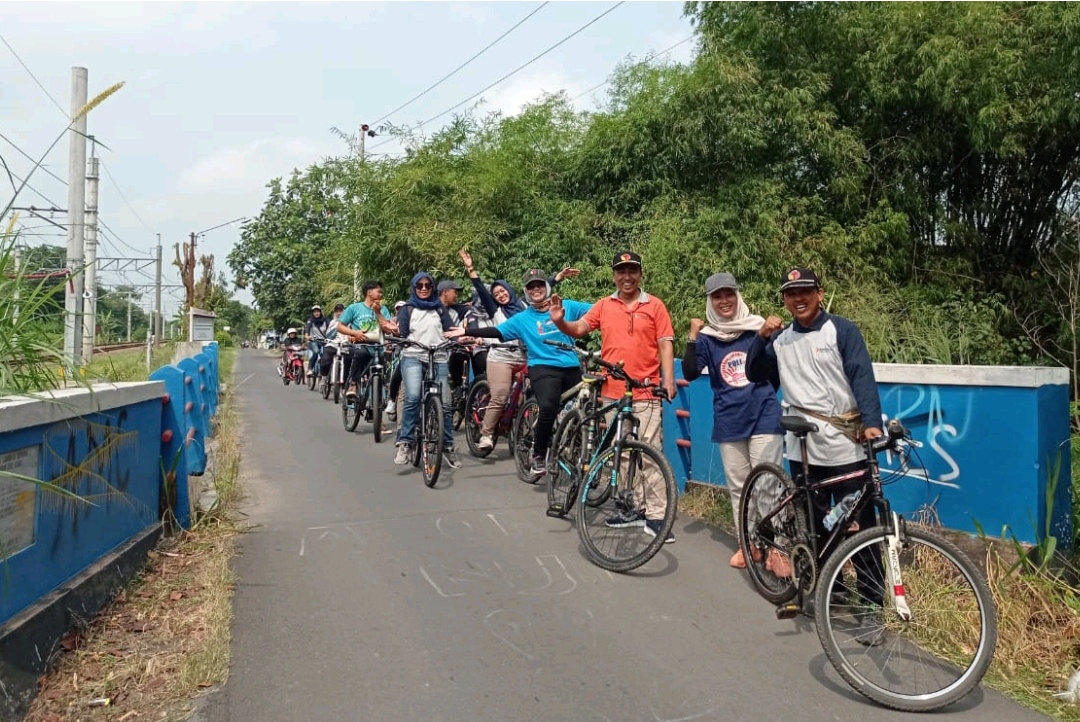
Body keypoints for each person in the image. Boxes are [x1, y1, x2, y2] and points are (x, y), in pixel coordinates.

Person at [745, 267, 885, 618]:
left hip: (846, 444)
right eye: (791, 294)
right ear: (785, 300)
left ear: (819, 294)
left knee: (862, 523)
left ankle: (871, 601)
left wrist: (871, 423)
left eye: (805, 291)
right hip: (802, 447)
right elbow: (754, 374)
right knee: (815, 522)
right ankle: (830, 589)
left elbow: (862, 376)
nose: (799, 299)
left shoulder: (842, 330)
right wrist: (760, 339)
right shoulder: (781, 340)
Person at [550, 250, 677, 543]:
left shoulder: (655, 305)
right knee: (621, 454)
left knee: (649, 454)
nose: (627, 277)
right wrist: (559, 322)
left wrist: (668, 380)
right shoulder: (604, 305)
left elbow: (666, 343)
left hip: (645, 390)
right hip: (613, 392)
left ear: (640, 274)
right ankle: (629, 507)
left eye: (632, 271)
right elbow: (580, 329)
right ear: (614, 276)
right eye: (621, 272)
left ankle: (657, 516)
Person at [682, 272, 784, 568]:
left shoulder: (758, 328)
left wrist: (763, 397)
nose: (724, 301)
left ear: (738, 296)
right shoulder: (708, 338)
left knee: (767, 482)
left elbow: (774, 371)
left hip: (764, 414)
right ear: (710, 301)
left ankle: (777, 547)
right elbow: (689, 373)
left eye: (728, 294)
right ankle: (749, 544)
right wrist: (692, 336)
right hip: (729, 420)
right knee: (740, 487)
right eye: (717, 296)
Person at [446, 267, 589, 476]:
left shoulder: (566, 306)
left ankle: (576, 453)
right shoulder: (522, 318)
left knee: (583, 409)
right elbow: (497, 331)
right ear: (526, 291)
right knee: (548, 407)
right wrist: (467, 330)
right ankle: (538, 455)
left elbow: (601, 310)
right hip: (543, 366)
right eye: (531, 287)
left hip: (571, 365)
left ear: (547, 287)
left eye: (540, 284)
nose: (536, 289)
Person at [458, 248, 526, 453]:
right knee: (501, 395)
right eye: (496, 294)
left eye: (503, 291)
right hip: (500, 357)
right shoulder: (495, 310)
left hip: (524, 356)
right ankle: (486, 434)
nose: (500, 295)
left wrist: (557, 278)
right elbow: (480, 290)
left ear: (509, 290)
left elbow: (541, 289)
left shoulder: (523, 306)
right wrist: (471, 269)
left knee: (532, 393)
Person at [394, 273, 462, 469]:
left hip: (439, 357)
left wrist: (461, 339)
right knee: (413, 396)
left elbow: (450, 330)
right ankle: (405, 442)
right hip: (414, 356)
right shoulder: (407, 309)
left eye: (427, 285)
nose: (424, 288)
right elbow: (403, 333)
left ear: (433, 288)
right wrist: (395, 332)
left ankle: (448, 446)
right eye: (420, 285)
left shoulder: (439, 308)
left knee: (446, 404)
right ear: (414, 287)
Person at [337, 281, 396, 400]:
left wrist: (378, 312)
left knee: (381, 370)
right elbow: (340, 326)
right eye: (378, 292)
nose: (381, 294)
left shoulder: (383, 310)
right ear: (369, 292)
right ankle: (353, 384)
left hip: (378, 346)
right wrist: (355, 333)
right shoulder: (354, 308)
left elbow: (388, 330)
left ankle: (376, 405)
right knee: (360, 353)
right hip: (359, 344)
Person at [384, 300, 407, 422]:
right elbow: (389, 334)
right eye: (398, 309)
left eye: (402, 308)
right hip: (398, 352)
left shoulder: (411, 318)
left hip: (414, 353)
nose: (400, 311)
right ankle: (392, 400)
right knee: (396, 376)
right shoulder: (392, 320)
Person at [318, 303, 346, 379]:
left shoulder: (349, 322)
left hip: (346, 345)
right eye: (337, 311)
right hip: (333, 344)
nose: (339, 313)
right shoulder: (332, 323)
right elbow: (328, 335)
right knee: (325, 359)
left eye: (341, 311)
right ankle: (324, 376)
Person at [304, 305, 331, 377]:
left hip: (324, 341)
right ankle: (310, 369)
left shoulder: (326, 320)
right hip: (313, 341)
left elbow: (331, 329)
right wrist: (307, 336)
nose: (316, 313)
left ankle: (326, 371)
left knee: (326, 354)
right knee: (315, 352)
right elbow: (307, 329)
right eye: (315, 312)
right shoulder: (310, 321)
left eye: (318, 311)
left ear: (320, 312)